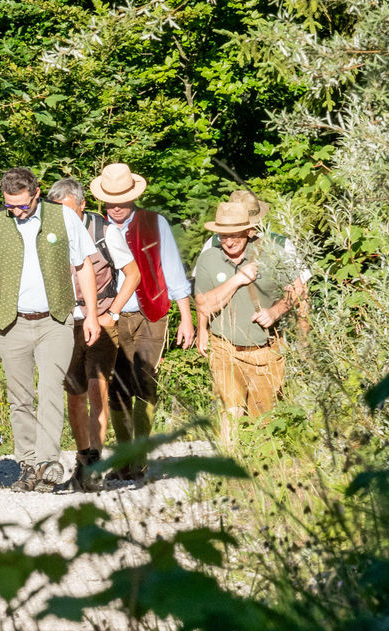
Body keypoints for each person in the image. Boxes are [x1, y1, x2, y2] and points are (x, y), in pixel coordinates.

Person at [0, 167, 100, 493]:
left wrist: (92, 315)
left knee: (52, 389)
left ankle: (47, 463)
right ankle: (28, 465)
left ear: (37, 194)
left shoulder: (63, 218)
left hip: (55, 320)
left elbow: (84, 266)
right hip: (12, 322)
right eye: (10, 205)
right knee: (20, 397)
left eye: (23, 205)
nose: (17, 211)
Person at [88, 162, 194, 482]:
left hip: (152, 313)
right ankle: (123, 459)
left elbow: (173, 269)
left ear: (133, 197)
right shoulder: (95, 228)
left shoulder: (154, 223)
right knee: (118, 386)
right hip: (112, 315)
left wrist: (186, 318)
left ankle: (140, 458)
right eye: (110, 200)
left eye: (121, 199)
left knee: (145, 380)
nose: (116, 206)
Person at [46, 178, 141, 491]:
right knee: (74, 395)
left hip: (100, 320)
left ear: (83, 205)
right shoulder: (46, 233)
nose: (63, 217)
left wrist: (113, 313)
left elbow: (133, 274)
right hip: (64, 323)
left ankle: (95, 464)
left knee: (96, 391)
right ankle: (83, 459)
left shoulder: (104, 232)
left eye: (69, 210)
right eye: (57, 211)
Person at [191, 197, 298, 442]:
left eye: (235, 236)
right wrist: (238, 279)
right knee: (231, 410)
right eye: (223, 236)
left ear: (248, 232)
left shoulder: (272, 252)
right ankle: (229, 457)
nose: (229, 242)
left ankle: (255, 462)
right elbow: (204, 304)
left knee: (263, 420)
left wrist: (275, 312)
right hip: (224, 346)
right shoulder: (209, 258)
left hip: (265, 351)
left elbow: (297, 291)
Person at [199, 189, 312, 335]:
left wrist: (303, 337)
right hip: (222, 337)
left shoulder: (279, 245)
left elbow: (301, 293)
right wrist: (202, 331)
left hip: (269, 336)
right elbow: (202, 293)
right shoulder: (214, 243)